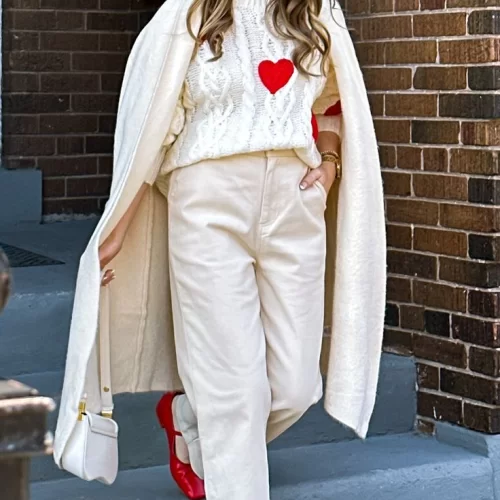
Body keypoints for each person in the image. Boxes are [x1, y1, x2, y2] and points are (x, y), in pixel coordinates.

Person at [53, 1, 387, 500]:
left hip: (294, 204)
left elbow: (333, 100)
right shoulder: (191, 13)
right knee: (235, 398)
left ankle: (190, 415)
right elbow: (155, 125)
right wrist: (118, 229)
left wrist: (332, 162)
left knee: (296, 386)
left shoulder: (314, 10)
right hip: (208, 200)